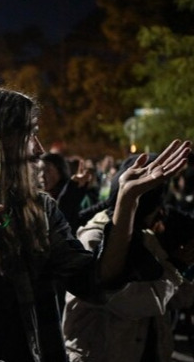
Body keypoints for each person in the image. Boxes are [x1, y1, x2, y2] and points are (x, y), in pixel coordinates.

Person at [0, 87, 191, 362]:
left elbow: (96, 285)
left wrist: (127, 202)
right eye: (30, 134)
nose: (39, 150)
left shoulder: (40, 210)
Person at [63, 153, 194, 361]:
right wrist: (176, 267)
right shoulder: (93, 238)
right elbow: (133, 302)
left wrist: (184, 267)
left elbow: (176, 297)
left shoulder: (145, 237)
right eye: (156, 209)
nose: (161, 215)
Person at [41, 152, 92, 234]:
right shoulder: (37, 199)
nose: (42, 175)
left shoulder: (72, 193)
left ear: (60, 170)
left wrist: (72, 188)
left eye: (47, 170)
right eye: (39, 170)